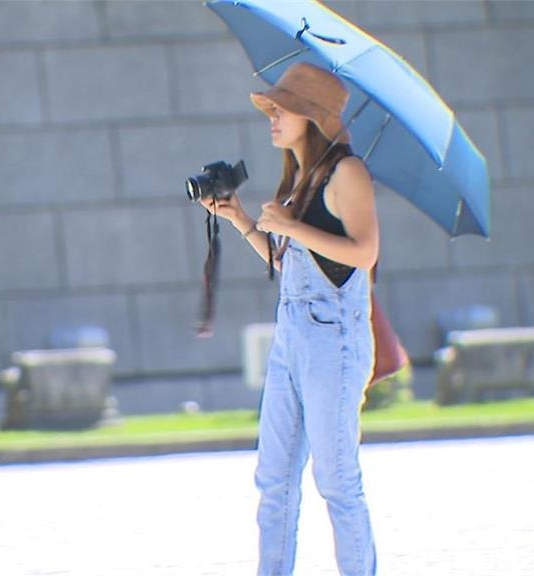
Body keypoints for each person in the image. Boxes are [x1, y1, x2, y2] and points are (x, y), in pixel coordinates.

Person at [200, 62, 379, 576]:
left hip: (333, 341)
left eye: (282, 110)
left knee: (337, 480)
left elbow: (364, 253)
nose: (273, 119)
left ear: (312, 116)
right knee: (274, 480)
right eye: (272, 110)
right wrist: (241, 219)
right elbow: (289, 263)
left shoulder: (347, 172)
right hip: (292, 337)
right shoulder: (297, 179)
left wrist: (293, 227)